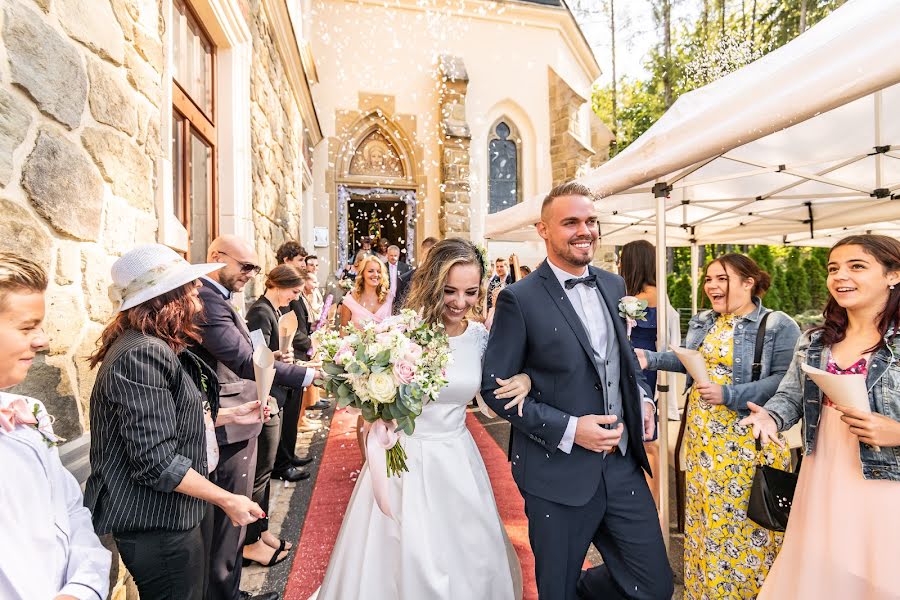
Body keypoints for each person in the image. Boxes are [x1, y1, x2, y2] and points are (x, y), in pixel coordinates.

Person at [481, 182, 673, 600]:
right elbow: (495, 389)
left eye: (590, 221)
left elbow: (620, 360)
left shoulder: (613, 285)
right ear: (543, 230)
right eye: (570, 222)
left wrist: (639, 397)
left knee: (654, 585)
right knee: (557, 588)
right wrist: (570, 428)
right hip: (556, 471)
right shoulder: (519, 298)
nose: (584, 230)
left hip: (621, 464)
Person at [313, 238, 534, 599]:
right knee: (398, 554)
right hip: (404, 461)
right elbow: (370, 400)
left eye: (470, 292)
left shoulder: (480, 338)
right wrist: (376, 417)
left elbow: (495, 391)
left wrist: (525, 378)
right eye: (449, 291)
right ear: (433, 284)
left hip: (458, 460)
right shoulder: (402, 333)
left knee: (466, 551)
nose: (460, 303)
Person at [83, 244, 267, 600]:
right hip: (156, 522)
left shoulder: (154, 344)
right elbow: (156, 461)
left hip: (173, 514)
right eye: (189, 283)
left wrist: (227, 415)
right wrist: (227, 499)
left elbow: (168, 420)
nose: (199, 287)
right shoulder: (141, 353)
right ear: (167, 297)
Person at [741, 234, 900, 600]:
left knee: (881, 570)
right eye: (833, 268)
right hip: (823, 470)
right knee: (825, 567)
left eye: (856, 266)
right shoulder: (816, 340)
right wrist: (771, 418)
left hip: (886, 476)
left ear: (893, 275)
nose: (840, 276)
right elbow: (791, 395)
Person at [636, 252, 800, 599]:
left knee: (745, 523)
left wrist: (730, 393)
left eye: (721, 278)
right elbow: (689, 360)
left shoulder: (777, 324)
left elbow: (785, 382)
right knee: (706, 522)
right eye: (708, 279)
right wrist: (649, 358)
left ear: (748, 282)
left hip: (745, 439)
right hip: (703, 439)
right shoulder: (705, 321)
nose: (711, 285)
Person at [191, 235, 317, 600]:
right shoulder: (208, 300)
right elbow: (245, 360)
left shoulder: (220, 298)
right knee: (227, 524)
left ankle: (231, 590)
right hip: (227, 420)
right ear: (216, 257)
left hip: (235, 411)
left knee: (234, 519)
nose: (250, 274)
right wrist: (308, 375)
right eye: (245, 266)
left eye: (255, 268)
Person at [0, 252, 111, 600]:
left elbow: (69, 511)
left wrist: (80, 589)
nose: (43, 340)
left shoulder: (28, 412)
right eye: (27, 327)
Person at [243, 265, 308, 569]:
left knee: (266, 472)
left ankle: (263, 531)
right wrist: (279, 358)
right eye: (294, 291)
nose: (296, 298)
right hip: (265, 395)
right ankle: (252, 541)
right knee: (261, 474)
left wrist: (281, 356)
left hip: (275, 392)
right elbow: (257, 357)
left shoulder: (272, 310)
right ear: (279, 285)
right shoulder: (260, 312)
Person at [617, 240, 682, 507]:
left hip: (641, 372)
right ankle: (652, 502)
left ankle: (652, 503)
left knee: (646, 441)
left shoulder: (637, 300)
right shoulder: (659, 294)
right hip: (648, 372)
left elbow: (623, 327)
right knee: (646, 439)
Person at [339, 255, 392, 329]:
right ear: (362, 273)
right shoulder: (350, 300)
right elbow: (343, 332)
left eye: (379, 271)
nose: (375, 275)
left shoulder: (389, 298)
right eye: (371, 271)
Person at [392, 236, 438, 313]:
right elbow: (397, 312)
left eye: (435, 255)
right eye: (428, 254)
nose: (431, 258)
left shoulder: (444, 278)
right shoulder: (404, 279)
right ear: (422, 253)